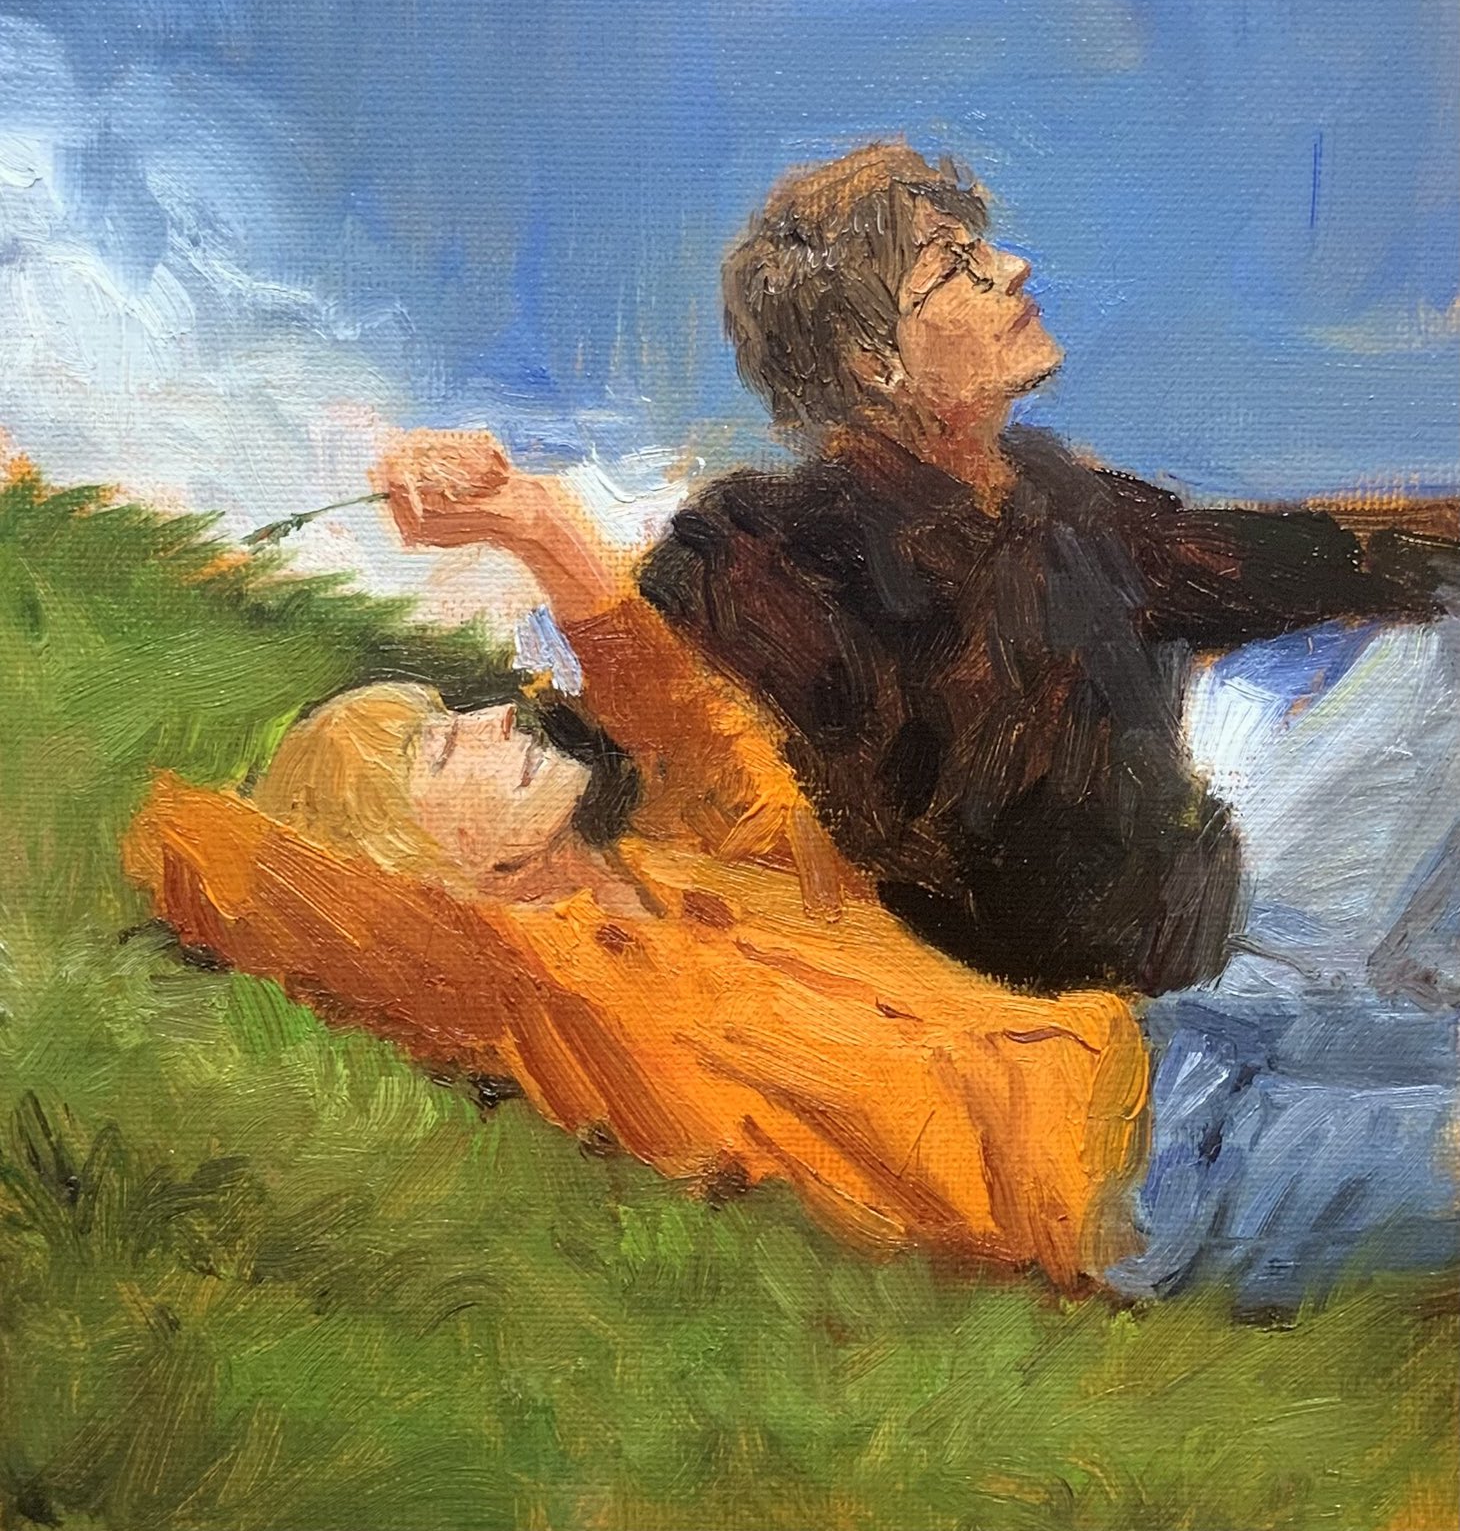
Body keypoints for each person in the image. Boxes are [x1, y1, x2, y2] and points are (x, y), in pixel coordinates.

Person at [381, 142, 1458, 999]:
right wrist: (512, 526)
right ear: (873, 362)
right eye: (955, 265)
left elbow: (1306, 558)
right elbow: (617, 740)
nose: (1012, 268)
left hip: (1225, 976)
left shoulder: (1066, 503)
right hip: (1038, 1039)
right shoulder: (754, 551)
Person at [124, 461, 1147, 1288]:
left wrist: (534, 525)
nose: (494, 716)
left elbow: (691, 731)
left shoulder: (684, 866)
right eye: (438, 748)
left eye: (454, 713)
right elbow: (233, 868)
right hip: (1103, 1185)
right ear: (414, 869)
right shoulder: (549, 988)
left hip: (1142, 1059)